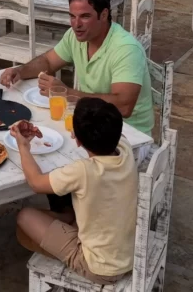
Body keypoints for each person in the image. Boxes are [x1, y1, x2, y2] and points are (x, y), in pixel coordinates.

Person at [12, 98, 138, 286]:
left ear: (77, 140)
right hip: (128, 251)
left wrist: (23, 145)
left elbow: (36, 183)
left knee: (24, 220)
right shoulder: (124, 148)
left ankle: (67, 225)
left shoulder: (84, 171)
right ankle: (68, 219)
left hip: (99, 267)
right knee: (62, 200)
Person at [0, 0, 153, 135]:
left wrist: (67, 94)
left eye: (85, 16)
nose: (76, 24)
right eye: (72, 16)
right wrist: (20, 70)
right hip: (92, 120)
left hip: (129, 133)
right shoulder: (75, 36)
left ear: (104, 15)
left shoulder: (126, 49)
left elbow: (124, 107)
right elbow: (48, 61)